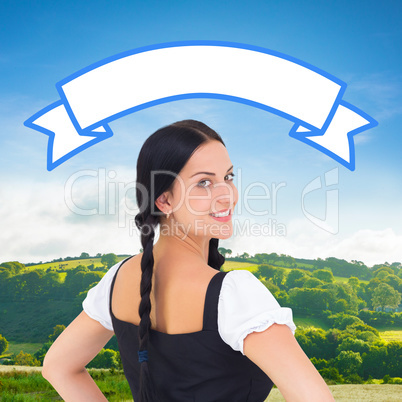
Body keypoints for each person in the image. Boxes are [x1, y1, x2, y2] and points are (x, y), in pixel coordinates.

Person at [42, 120, 335, 401]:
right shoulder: (235, 294)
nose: (227, 195)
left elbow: (58, 367)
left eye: (228, 177)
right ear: (164, 201)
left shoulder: (118, 279)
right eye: (204, 183)